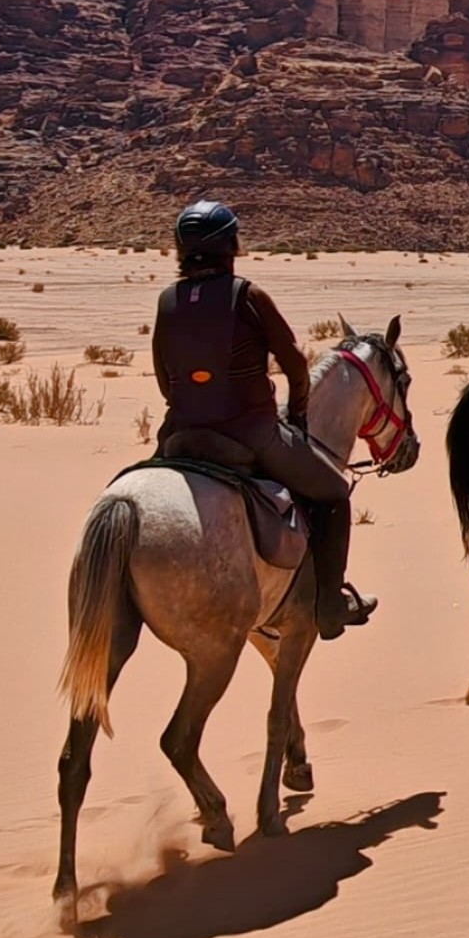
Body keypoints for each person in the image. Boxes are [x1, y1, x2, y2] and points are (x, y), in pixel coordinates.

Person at [148, 199, 373, 636]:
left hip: (180, 435)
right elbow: (294, 365)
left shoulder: (167, 300)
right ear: (231, 244)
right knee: (333, 494)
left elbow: (163, 376)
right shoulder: (247, 296)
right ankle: (329, 605)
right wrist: (300, 410)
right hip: (250, 433)